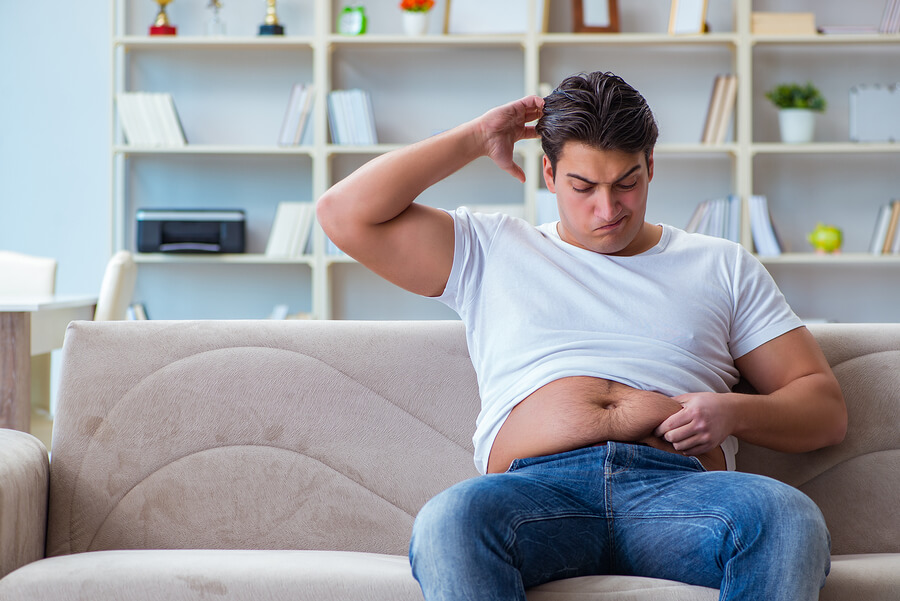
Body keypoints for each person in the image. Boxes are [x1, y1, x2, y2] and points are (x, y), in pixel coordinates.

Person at [316, 71, 847, 600]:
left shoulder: (722, 265)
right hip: (533, 495)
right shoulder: (490, 250)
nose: (607, 209)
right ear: (548, 172)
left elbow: (823, 411)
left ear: (651, 166)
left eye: (626, 183)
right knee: (449, 521)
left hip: (681, 493)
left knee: (787, 519)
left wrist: (733, 411)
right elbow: (344, 214)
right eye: (583, 187)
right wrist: (476, 138)